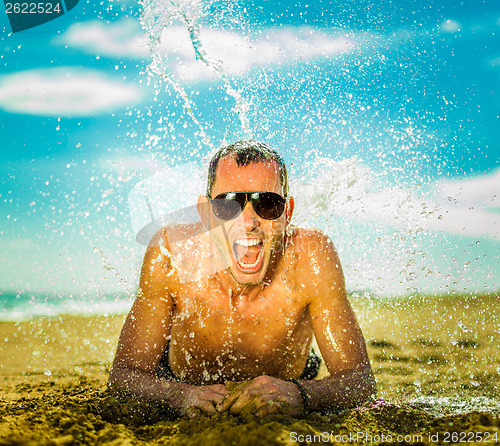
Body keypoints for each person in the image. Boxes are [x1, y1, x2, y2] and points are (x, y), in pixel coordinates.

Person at [109, 140, 376, 418]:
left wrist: (301, 394)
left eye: (268, 204)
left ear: (287, 212)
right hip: (178, 376)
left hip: (291, 380)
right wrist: (180, 395)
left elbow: (360, 382)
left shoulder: (311, 256)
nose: (249, 221)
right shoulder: (171, 253)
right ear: (206, 213)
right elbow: (124, 376)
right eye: (228, 205)